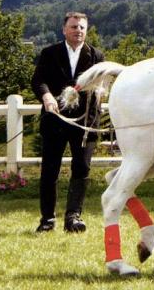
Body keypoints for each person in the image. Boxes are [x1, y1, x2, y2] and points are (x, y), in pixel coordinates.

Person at [31, 12, 104, 233]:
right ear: (64, 29)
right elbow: (38, 80)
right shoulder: (49, 53)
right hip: (55, 121)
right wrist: (46, 96)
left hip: (84, 124)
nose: (78, 31)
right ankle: (47, 220)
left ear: (86, 30)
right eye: (73, 27)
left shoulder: (96, 56)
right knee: (50, 170)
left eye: (82, 27)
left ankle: (73, 217)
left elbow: (102, 83)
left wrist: (101, 91)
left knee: (81, 168)